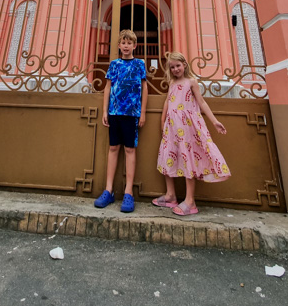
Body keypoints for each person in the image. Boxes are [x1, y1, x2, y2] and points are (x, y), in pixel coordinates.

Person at [152, 51, 230, 216]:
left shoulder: (191, 82)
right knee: (168, 157)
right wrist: (162, 120)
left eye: (178, 66)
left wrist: (214, 121)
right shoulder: (172, 83)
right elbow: (168, 101)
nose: (175, 69)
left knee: (189, 160)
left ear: (184, 65)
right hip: (172, 127)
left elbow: (201, 102)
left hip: (187, 128)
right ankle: (171, 195)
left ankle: (190, 201)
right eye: (172, 67)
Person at [94, 29, 148, 213]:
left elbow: (144, 88)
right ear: (119, 45)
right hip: (115, 112)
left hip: (132, 113)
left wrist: (142, 113)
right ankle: (108, 190)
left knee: (130, 149)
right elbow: (108, 87)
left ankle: (128, 192)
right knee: (113, 148)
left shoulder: (140, 64)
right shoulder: (114, 65)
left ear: (134, 46)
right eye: (123, 43)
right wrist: (105, 110)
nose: (126, 46)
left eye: (129, 43)